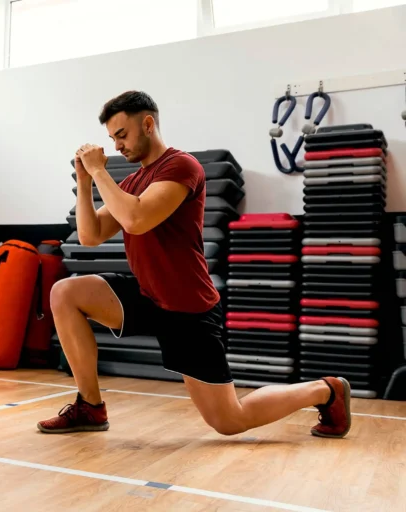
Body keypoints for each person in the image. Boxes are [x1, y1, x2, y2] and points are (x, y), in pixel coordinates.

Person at [37, 91, 351, 438]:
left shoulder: (181, 166)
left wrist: (98, 170)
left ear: (148, 124)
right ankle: (90, 407)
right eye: (112, 138)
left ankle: (326, 390)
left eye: (122, 135)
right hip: (148, 296)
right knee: (65, 293)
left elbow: (136, 219)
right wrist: (84, 183)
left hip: (187, 307)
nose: (117, 146)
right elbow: (90, 235)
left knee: (229, 420)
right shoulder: (131, 182)